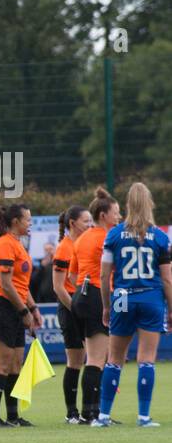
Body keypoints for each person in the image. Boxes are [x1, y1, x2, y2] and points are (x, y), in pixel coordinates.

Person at [94, 183, 172, 428]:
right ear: (150, 203)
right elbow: (167, 278)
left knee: (115, 358)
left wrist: (106, 307)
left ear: (127, 205)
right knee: (146, 358)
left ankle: (103, 415)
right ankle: (143, 416)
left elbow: (104, 274)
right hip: (150, 296)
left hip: (123, 296)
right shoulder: (159, 236)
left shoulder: (114, 234)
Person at [0, 203, 42, 427]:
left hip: (15, 307)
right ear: (15, 222)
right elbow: (6, 285)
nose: (30, 223)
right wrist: (24, 310)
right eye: (27, 219)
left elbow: (21, 285)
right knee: (3, 363)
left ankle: (13, 416)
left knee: (17, 363)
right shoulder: (5, 244)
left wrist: (33, 309)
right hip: (1, 307)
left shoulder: (17, 244)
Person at [70, 188, 121, 422]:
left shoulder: (81, 239)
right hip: (96, 296)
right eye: (116, 213)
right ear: (103, 215)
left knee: (93, 356)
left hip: (81, 294)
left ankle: (91, 411)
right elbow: (111, 270)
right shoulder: (106, 237)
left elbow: (72, 275)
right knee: (97, 359)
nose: (119, 217)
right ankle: (93, 413)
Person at [52, 205, 92, 423]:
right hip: (71, 310)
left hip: (85, 308)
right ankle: (72, 413)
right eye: (86, 221)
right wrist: (76, 310)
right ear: (73, 223)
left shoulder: (85, 245)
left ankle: (92, 411)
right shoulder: (63, 248)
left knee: (93, 359)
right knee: (75, 361)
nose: (90, 225)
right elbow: (58, 287)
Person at [30, 241, 56, 306]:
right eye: (46, 250)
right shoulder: (39, 265)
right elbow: (33, 280)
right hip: (43, 299)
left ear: (55, 249)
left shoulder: (59, 263)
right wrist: (41, 267)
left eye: (50, 249)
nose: (48, 252)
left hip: (56, 298)